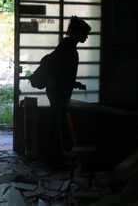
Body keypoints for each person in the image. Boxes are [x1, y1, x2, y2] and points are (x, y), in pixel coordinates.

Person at [46, 16, 91, 169]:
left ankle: (55, 158)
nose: (86, 36)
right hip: (58, 92)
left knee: (57, 124)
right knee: (58, 126)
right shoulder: (68, 49)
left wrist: (75, 84)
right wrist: (73, 84)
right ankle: (54, 161)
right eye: (85, 33)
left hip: (57, 91)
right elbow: (62, 75)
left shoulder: (67, 46)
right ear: (77, 32)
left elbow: (64, 74)